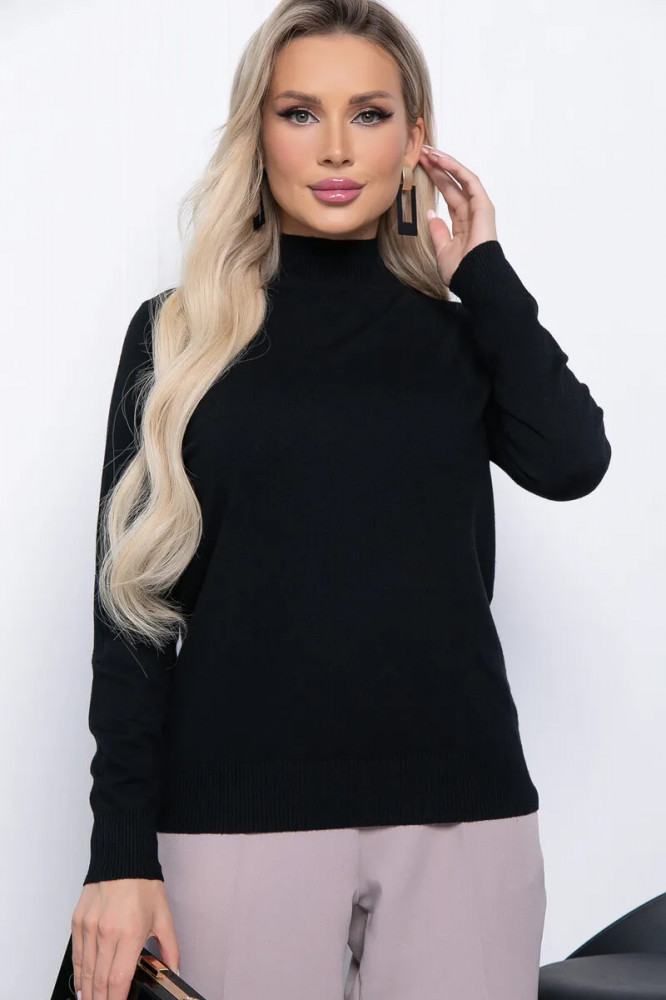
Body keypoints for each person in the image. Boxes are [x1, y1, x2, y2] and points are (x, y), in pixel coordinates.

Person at [70, 2, 612, 999]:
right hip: (235, 828)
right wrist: (119, 854)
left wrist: (484, 272)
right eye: (299, 113)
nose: (333, 147)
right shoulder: (179, 336)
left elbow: (573, 460)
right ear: (258, 132)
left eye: (368, 114)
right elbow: (132, 619)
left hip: (464, 821)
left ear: (415, 139)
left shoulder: (464, 336)